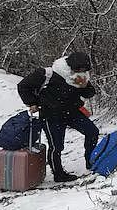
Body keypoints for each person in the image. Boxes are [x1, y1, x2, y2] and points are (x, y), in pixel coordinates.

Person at [17, 51, 99, 182]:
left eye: (85, 69)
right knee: (56, 146)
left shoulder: (80, 76)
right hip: (51, 115)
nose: (82, 71)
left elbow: (90, 92)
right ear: (71, 65)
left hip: (72, 112)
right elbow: (23, 86)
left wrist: (83, 86)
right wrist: (32, 102)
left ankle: (91, 161)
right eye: (80, 68)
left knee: (93, 132)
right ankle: (58, 174)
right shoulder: (47, 74)